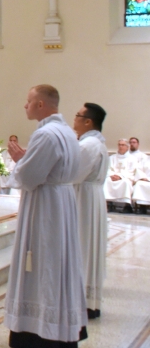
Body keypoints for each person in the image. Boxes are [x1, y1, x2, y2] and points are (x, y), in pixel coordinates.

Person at [4, 84, 87, 348]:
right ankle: (60, 330)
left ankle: (39, 337)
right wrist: (29, 157)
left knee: (42, 265)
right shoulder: (66, 132)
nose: (25, 106)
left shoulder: (46, 134)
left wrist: (19, 160)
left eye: (28, 101)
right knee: (56, 263)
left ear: (41, 105)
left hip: (45, 208)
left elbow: (29, 178)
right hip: (60, 201)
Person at [71, 103, 109, 320]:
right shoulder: (95, 143)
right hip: (90, 197)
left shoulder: (89, 145)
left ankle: (82, 300)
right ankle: (88, 300)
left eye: (78, 115)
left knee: (83, 245)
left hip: (83, 199)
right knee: (87, 245)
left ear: (88, 121)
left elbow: (73, 173)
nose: (73, 119)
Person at [104, 139, 135, 208]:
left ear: (127, 147)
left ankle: (127, 205)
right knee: (106, 181)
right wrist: (112, 175)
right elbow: (108, 168)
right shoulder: (112, 157)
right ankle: (109, 203)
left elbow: (131, 171)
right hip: (112, 177)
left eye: (123, 145)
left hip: (125, 177)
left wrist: (120, 176)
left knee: (126, 182)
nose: (120, 147)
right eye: (119, 145)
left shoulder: (132, 159)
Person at [128, 137, 150, 212]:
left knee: (140, 184)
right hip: (132, 176)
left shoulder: (143, 156)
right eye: (130, 142)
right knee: (134, 183)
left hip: (142, 178)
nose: (132, 144)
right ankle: (128, 206)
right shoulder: (125, 155)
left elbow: (140, 169)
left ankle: (142, 206)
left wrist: (146, 178)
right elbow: (137, 169)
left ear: (138, 144)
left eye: (134, 142)